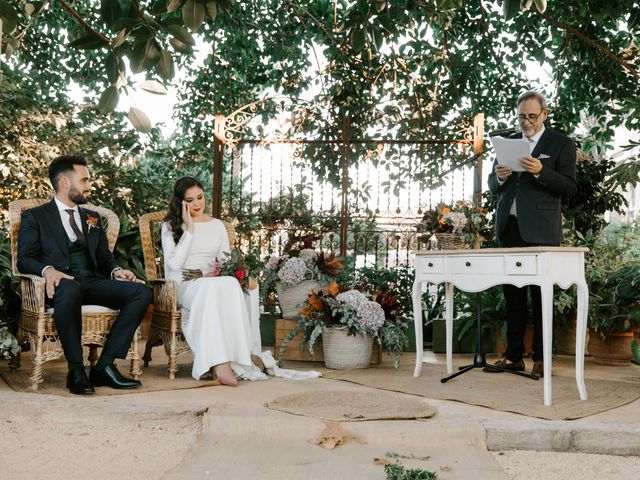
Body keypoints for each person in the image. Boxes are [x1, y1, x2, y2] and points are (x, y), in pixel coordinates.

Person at [18, 155, 152, 395]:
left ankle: (105, 366)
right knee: (69, 288)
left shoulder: (92, 218)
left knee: (141, 292)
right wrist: (48, 271)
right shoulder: (35, 216)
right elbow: (25, 258)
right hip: (60, 286)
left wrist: (116, 270)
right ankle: (76, 370)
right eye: (85, 180)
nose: (89, 185)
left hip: (91, 281)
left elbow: (104, 256)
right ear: (65, 183)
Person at [486, 91, 577, 378]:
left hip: (541, 230)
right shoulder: (508, 143)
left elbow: (570, 187)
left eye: (531, 116)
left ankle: (541, 358)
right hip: (509, 228)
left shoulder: (560, 144)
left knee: (541, 298)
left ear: (544, 114)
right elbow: (493, 183)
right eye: (522, 116)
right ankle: (513, 357)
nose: (526, 121)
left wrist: (540, 171)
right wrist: (499, 177)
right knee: (512, 297)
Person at [161, 176, 266, 386]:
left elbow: (226, 260)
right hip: (184, 284)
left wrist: (242, 275)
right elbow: (174, 265)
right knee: (212, 288)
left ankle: (236, 357)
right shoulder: (170, 226)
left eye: (199, 197)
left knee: (229, 283)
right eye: (190, 200)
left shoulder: (218, 225)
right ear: (180, 202)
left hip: (211, 281)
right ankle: (220, 363)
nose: (197, 204)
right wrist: (189, 230)